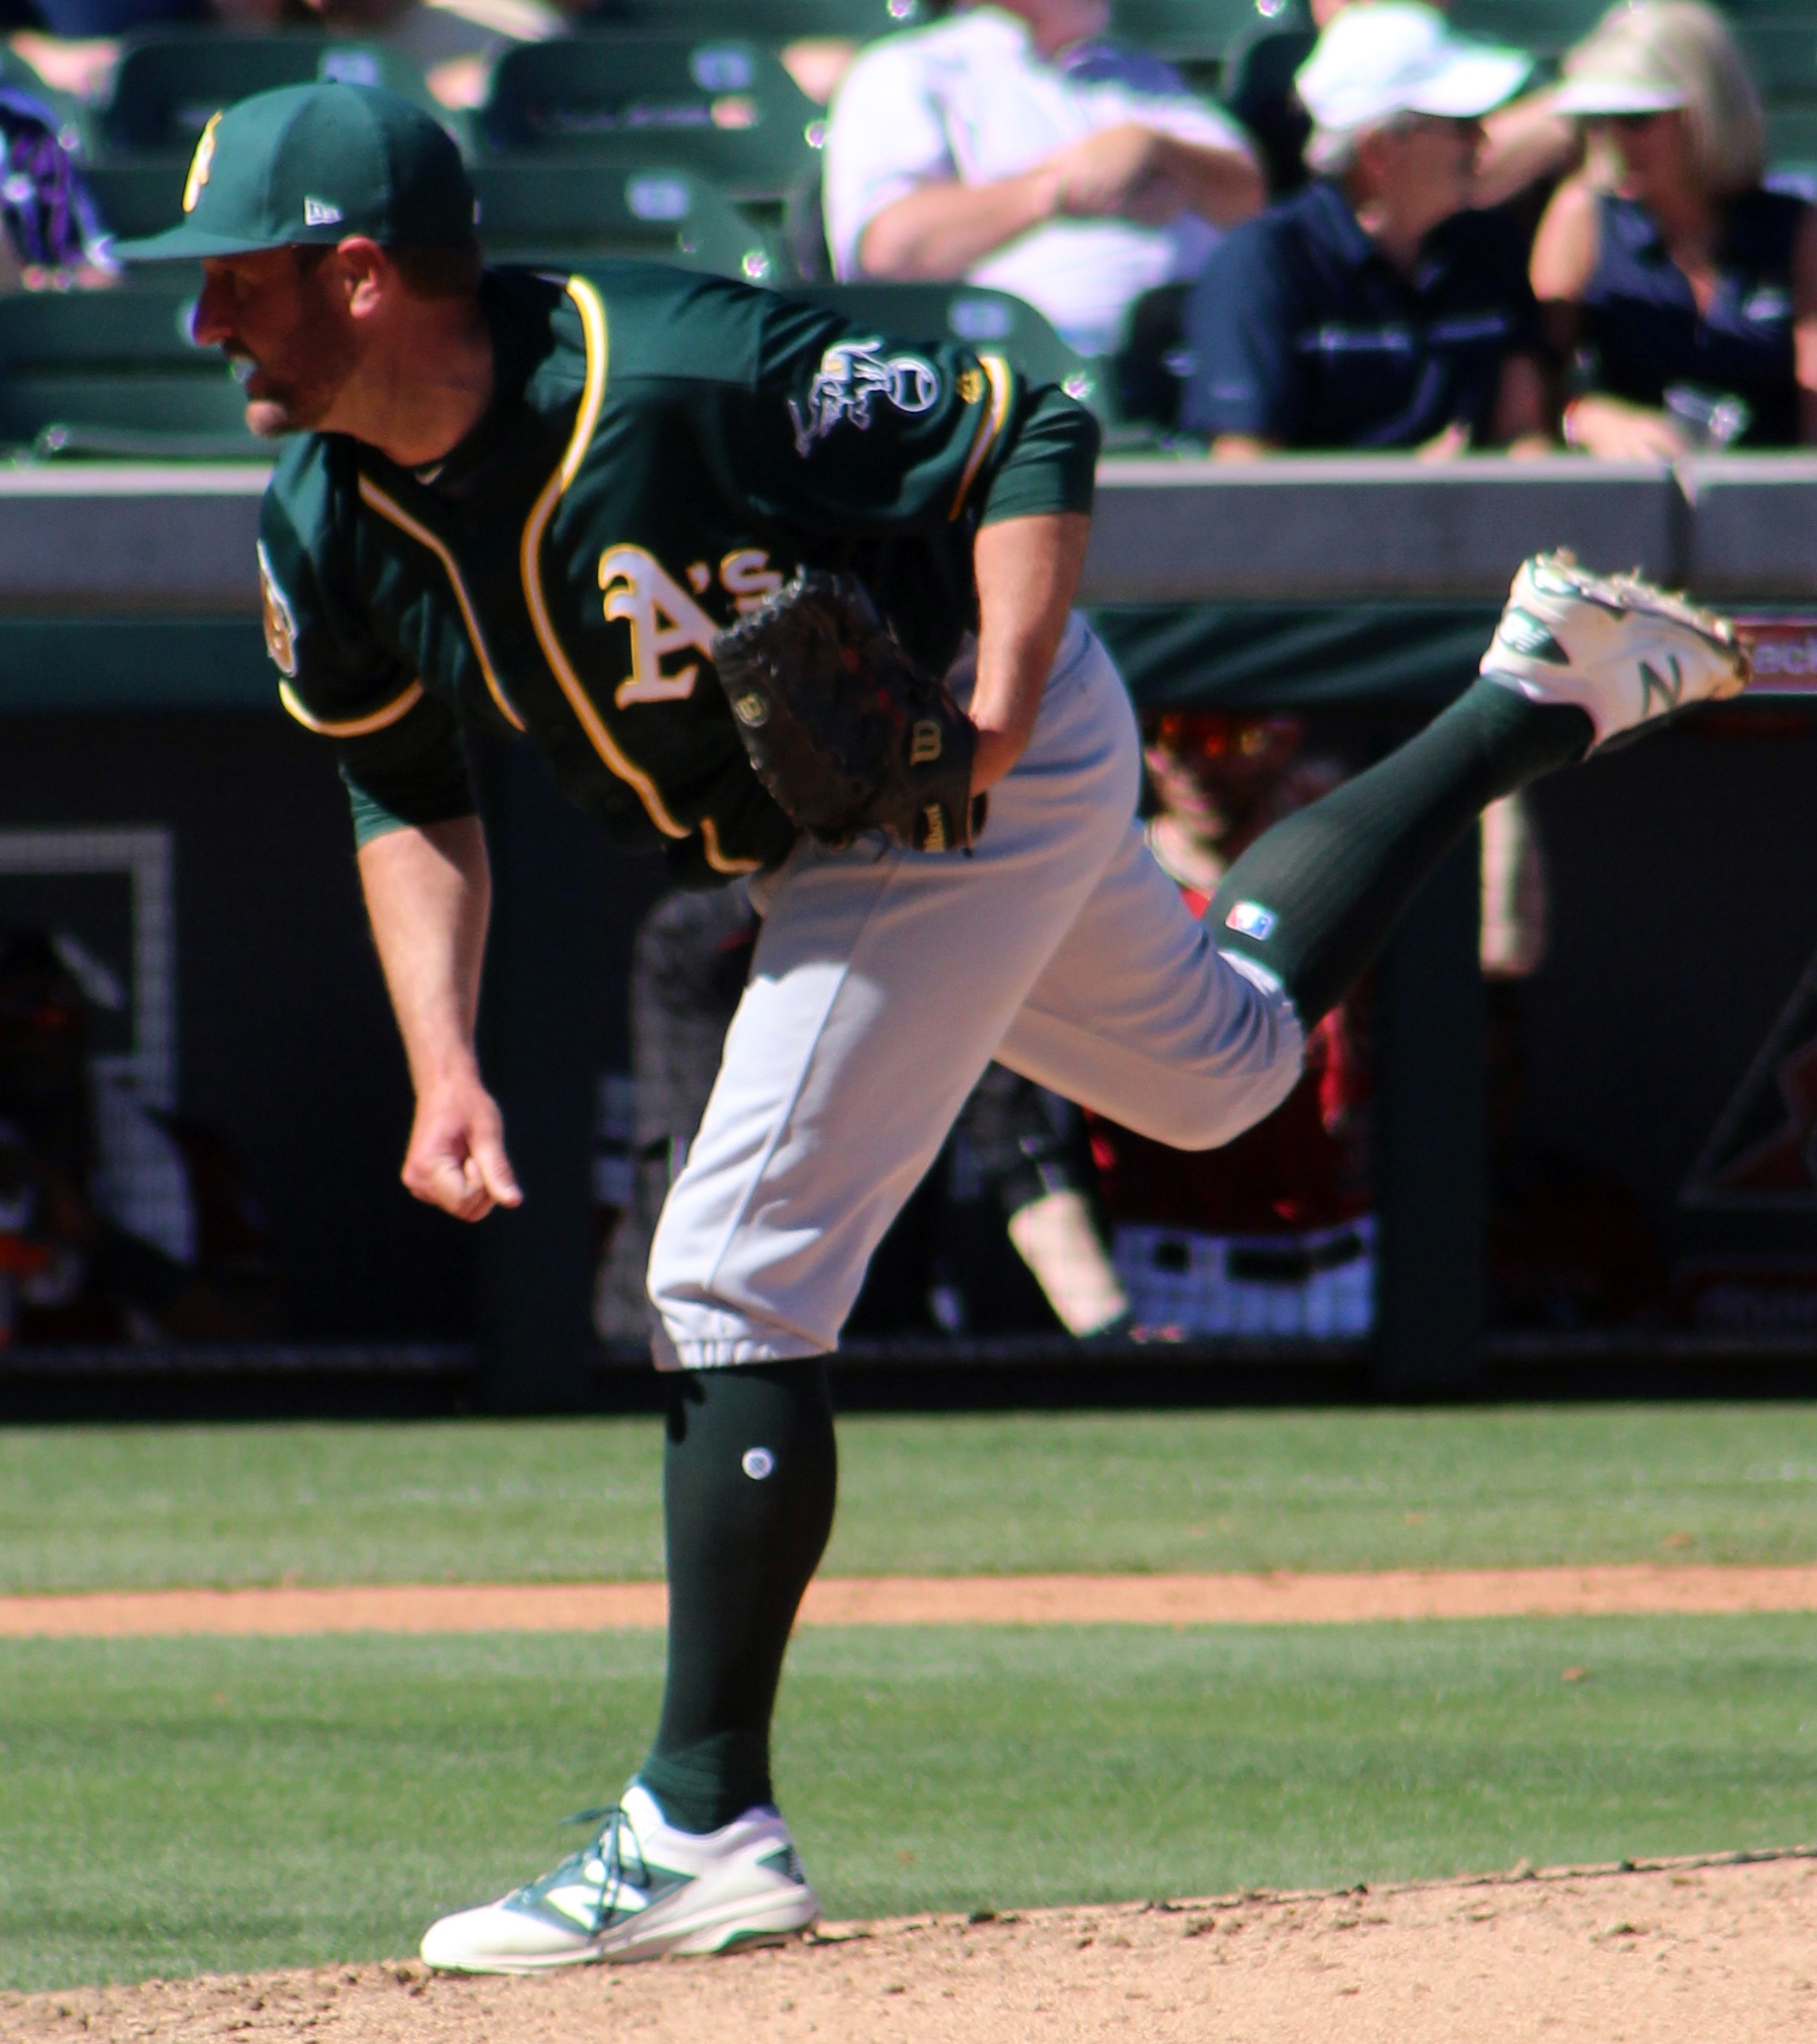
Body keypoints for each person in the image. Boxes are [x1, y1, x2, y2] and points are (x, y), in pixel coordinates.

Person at [115, 77, 1748, 1971]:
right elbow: (402, 785)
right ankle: (1530, 698)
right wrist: (446, 1055)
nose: (202, 317)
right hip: (836, 822)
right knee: (1220, 1073)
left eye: (235, 277)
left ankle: (702, 1814)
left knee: (727, 1268)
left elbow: (1024, 429)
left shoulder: (674, 366)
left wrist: (990, 721)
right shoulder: (327, 513)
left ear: (365, 274)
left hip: (960, 767)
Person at [1182, 2, 1550, 458]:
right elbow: (1244, 477)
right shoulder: (1258, 265)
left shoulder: (1491, 247)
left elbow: (1522, 435)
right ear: (1379, 151)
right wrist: (1407, 495)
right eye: (1461, 125)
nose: (1483, 141)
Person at [823, 0, 1265, 358]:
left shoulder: (1140, 76)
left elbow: (1250, 198)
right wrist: (1056, 191)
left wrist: (1156, 149)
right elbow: (889, 251)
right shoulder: (909, 70)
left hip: (1185, 357)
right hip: (1009, 374)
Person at [1530, 0, 1817, 457]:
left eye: (1637, 119)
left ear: (1705, 112)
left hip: (1766, 502)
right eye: (1601, 120)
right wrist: (1588, 418)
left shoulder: (1796, 228)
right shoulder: (1581, 218)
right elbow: (1529, 402)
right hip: (1629, 503)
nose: (1617, 141)